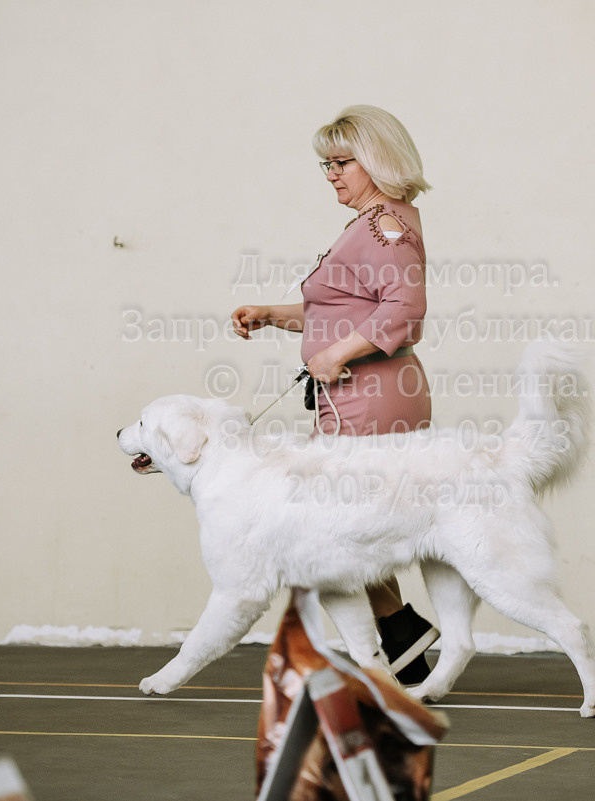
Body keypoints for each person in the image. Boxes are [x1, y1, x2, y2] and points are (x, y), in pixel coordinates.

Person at [230, 105, 439, 684]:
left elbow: (406, 310)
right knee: (354, 522)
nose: (332, 174)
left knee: (343, 525)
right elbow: (340, 310)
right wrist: (274, 314)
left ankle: (400, 634)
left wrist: (339, 355)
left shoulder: (383, 227)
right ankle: (403, 643)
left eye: (343, 162)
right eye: (327, 164)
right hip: (368, 389)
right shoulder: (376, 223)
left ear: (377, 160)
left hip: (366, 392)